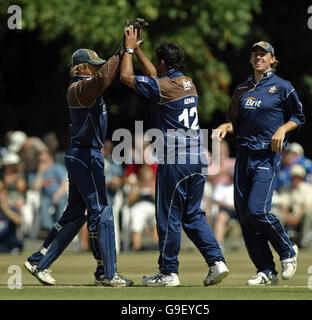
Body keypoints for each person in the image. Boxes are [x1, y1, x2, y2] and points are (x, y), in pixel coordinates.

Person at [120, 25, 229, 287]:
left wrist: (127, 50)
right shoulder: (187, 83)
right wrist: (139, 50)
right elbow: (156, 76)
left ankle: (168, 272)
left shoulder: (163, 87)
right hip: (198, 159)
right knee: (192, 215)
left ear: (162, 62)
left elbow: (126, 77)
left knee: (167, 215)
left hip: (176, 159)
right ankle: (217, 262)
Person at [24, 45, 133, 287]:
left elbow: (104, 76)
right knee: (102, 211)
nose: (98, 69)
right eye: (94, 65)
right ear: (82, 68)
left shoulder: (84, 88)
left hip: (81, 155)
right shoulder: (80, 88)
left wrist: (122, 47)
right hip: (86, 156)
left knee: (75, 213)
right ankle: (107, 272)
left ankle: (38, 260)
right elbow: (106, 76)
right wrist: (125, 51)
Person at [212, 41, 305, 285]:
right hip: (244, 154)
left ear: (273, 59)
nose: (259, 57)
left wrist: (283, 129)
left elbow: (298, 116)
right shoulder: (242, 88)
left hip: (267, 154)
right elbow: (235, 122)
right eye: (255, 54)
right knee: (245, 216)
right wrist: (225, 126)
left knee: (257, 210)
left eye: (263, 54)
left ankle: (287, 249)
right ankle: (266, 270)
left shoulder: (283, 87)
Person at [27, 151, 68, 232]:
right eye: (40, 161)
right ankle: (48, 228)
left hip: (60, 194)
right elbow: (34, 188)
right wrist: (40, 173)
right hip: (46, 196)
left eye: (44, 160)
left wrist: (57, 194)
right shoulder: (35, 172)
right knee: (43, 203)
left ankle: (59, 227)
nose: (42, 163)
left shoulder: (57, 168)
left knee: (61, 202)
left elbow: (65, 183)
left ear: (50, 159)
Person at [278, 164, 312, 248]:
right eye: (294, 176)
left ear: (302, 177)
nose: (295, 179)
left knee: (309, 213)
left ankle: (304, 241)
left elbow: (307, 206)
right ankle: (279, 241)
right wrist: (288, 217)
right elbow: (282, 205)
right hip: (289, 215)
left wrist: (296, 218)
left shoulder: (308, 188)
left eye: (297, 176)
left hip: (302, 215)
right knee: (275, 214)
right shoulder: (286, 188)